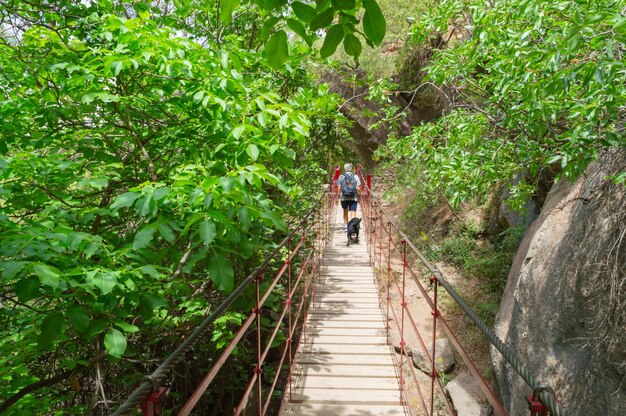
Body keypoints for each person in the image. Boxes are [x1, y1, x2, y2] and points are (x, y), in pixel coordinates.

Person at [337, 163, 361, 231]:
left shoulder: (341, 176)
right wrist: (359, 197)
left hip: (344, 198)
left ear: (345, 169)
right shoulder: (355, 176)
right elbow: (358, 189)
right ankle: (353, 226)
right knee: (353, 213)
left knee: (345, 212)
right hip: (353, 197)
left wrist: (337, 198)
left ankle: (346, 227)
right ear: (351, 168)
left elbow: (338, 188)